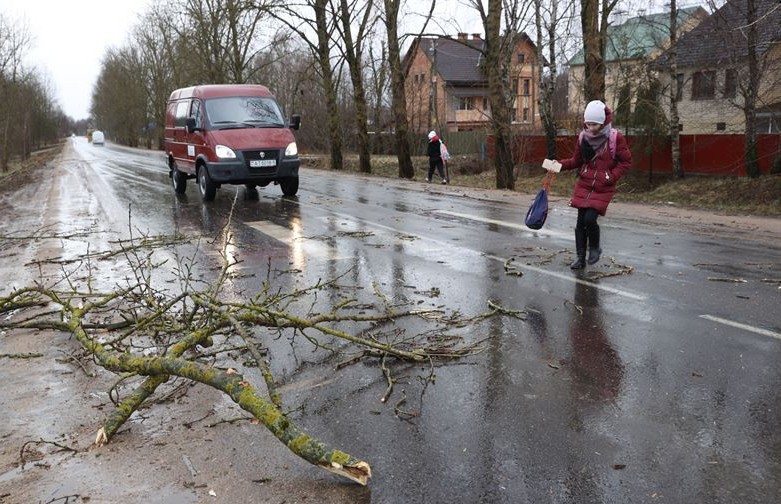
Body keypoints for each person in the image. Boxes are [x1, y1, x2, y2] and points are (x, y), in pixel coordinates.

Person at [543, 100, 632, 269]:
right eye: (588, 123)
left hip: (603, 186)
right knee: (580, 223)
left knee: (590, 219)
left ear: (603, 122)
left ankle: (595, 248)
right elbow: (576, 161)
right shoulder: (583, 137)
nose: (590, 127)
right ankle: (580, 257)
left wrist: (611, 177)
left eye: (594, 124)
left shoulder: (615, 138)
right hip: (584, 184)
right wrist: (554, 166)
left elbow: (626, 162)